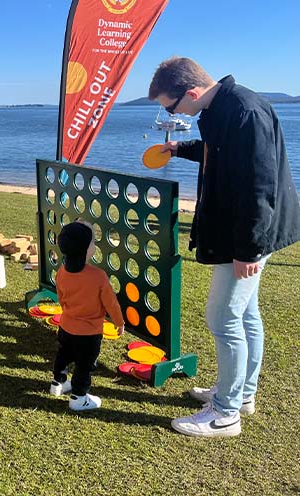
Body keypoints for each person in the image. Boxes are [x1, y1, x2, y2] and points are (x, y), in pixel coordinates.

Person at [148, 57, 300, 437]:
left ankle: (225, 414)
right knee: (245, 314)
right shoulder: (223, 108)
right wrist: (179, 148)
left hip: (248, 237)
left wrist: (249, 250)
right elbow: (218, 151)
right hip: (244, 234)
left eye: (171, 106)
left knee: (222, 317)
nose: (172, 114)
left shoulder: (245, 111)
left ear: (191, 92)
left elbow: (261, 186)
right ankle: (241, 394)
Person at [50, 220, 124, 411]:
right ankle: (78, 397)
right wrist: (119, 322)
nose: (95, 245)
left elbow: (61, 298)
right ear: (86, 250)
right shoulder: (98, 276)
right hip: (89, 334)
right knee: (84, 365)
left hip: (66, 326)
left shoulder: (61, 272)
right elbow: (111, 303)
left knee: (63, 355)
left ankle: (57, 383)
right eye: (92, 242)